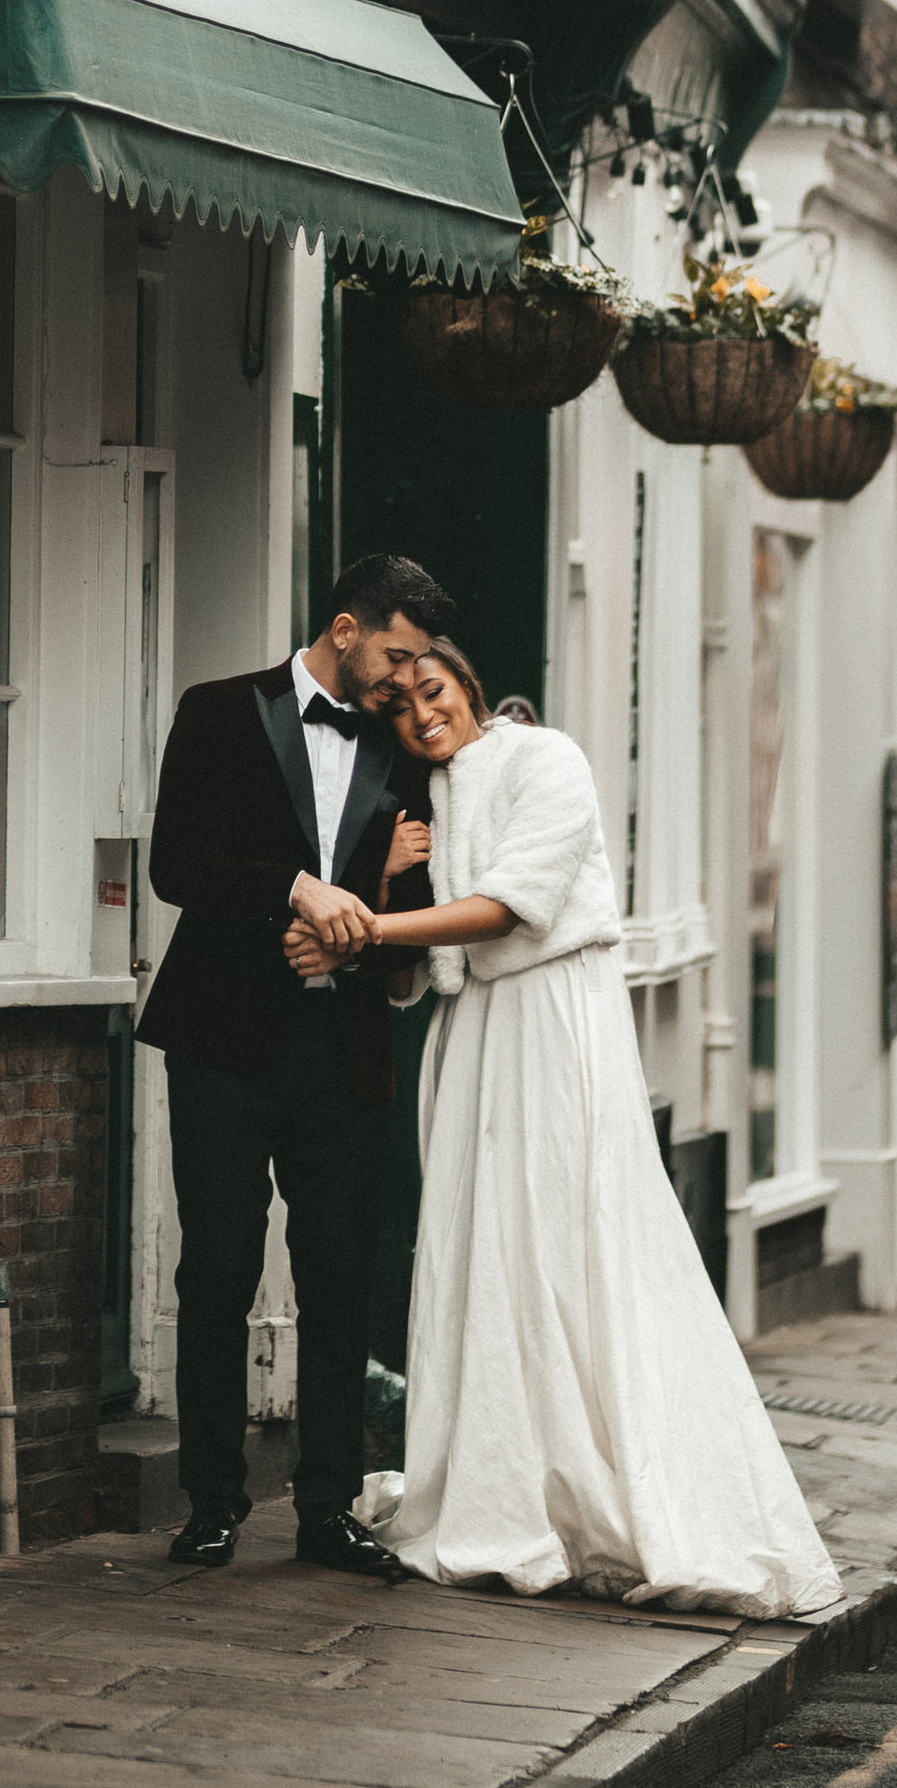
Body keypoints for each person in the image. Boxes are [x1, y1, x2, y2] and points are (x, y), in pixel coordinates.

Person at [285, 638, 844, 1620]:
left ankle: (615, 1492)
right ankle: (506, 1488)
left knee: (567, 1239)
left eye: (432, 691)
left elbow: (510, 909)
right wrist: (376, 890)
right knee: (486, 1253)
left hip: (549, 1021)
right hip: (475, 1041)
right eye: (400, 708)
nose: (420, 715)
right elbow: (421, 965)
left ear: (466, 681)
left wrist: (367, 926)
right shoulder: (429, 799)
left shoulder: (548, 758)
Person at [139, 555, 458, 1579]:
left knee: (338, 1276)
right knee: (217, 1267)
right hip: (223, 1041)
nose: (405, 680)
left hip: (345, 1045)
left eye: (419, 663)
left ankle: (327, 1508)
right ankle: (211, 1503)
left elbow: (421, 918)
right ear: (344, 628)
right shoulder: (219, 710)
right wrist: (295, 890)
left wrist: (359, 930)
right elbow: (176, 864)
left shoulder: (405, 750)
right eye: (396, 654)